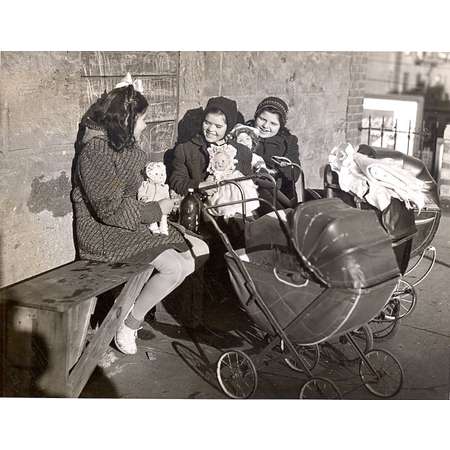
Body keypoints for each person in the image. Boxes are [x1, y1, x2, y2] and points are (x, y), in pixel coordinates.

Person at [71, 75, 208, 355]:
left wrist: (158, 193)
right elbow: (108, 209)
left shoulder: (122, 144)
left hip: (128, 222)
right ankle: (130, 323)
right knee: (174, 267)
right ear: (125, 120)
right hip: (103, 234)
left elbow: (133, 186)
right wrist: (156, 209)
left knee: (200, 249)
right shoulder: (95, 152)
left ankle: (132, 311)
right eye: (142, 119)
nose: (146, 125)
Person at [168, 96, 253, 196]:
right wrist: (198, 186)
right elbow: (176, 181)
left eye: (218, 126)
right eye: (207, 123)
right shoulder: (186, 149)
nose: (211, 129)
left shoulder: (242, 152)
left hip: (234, 207)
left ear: (229, 127)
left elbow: (248, 186)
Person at [246, 96, 301, 210]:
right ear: (256, 116)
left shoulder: (288, 141)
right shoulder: (245, 134)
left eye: (273, 123)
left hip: (279, 193)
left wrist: (279, 169)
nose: (266, 126)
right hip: (251, 191)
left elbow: (294, 173)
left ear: (281, 126)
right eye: (262, 119)